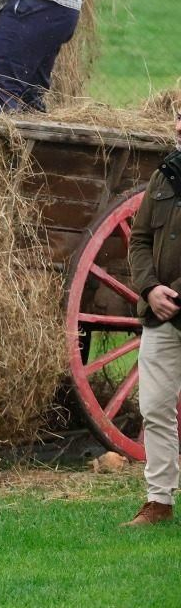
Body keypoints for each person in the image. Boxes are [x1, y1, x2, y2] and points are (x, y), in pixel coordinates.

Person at [124, 108, 181, 527]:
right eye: (180, 116)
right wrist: (149, 289)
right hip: (161, 315)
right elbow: (139, 239)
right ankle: (159, 502)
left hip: (172, 304)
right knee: (155, 407)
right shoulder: (164, 176)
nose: (178, 125)